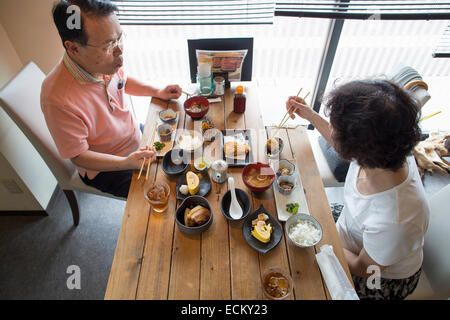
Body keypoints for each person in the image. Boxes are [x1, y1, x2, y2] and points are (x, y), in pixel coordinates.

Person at [286, 79, 430, 300]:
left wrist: (323, 240)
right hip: (352, 230)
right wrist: (310, 115)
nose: (332, 131)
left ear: (356, 146)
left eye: (335, 127)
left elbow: (364, 267)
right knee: (288, 219)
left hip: (378, 278)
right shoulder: (386, 149)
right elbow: (341, 143)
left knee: (300, 282)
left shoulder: (396, 219)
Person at [41, 0, 181, 198]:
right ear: (73, 48)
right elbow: (79, 157)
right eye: (108, 46)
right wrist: (127, 163)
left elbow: (122, 82)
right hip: (107, 167)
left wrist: (157, 90)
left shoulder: (101, 63)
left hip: (133, 137)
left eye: (119, 39)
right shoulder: (56, 98)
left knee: (182, 153)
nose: (120, 52)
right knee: (165, 192)